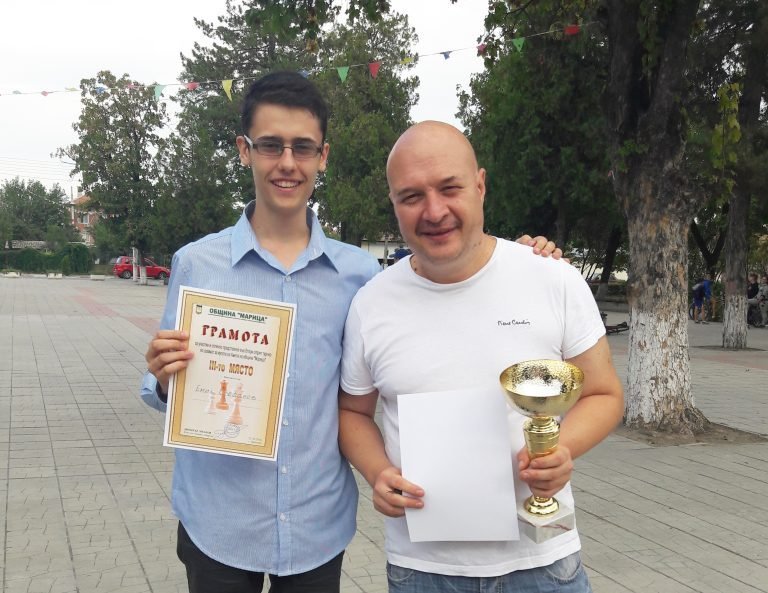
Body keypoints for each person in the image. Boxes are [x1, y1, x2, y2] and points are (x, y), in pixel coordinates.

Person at [141, 73, 561, 593]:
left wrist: (523, 259)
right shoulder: (197, 264)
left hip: (316, 524)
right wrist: (166, 379)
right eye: (270, 145)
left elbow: (444, 282)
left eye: (303, 147)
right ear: (244, 151)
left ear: (323, 156)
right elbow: (163, 390)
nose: (287, 162)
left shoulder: (361, 276)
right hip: (218, 519)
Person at [338, 121, 624, 593]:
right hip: (422, 569)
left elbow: (603, 393)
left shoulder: (551, 279)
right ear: (393, 202)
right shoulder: (371, 304)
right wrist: (377, 472)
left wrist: (562, 449)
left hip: (541, 563)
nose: (434, 211)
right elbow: (353, 412)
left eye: (449, 188)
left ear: (480, 185)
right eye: (412, 196)